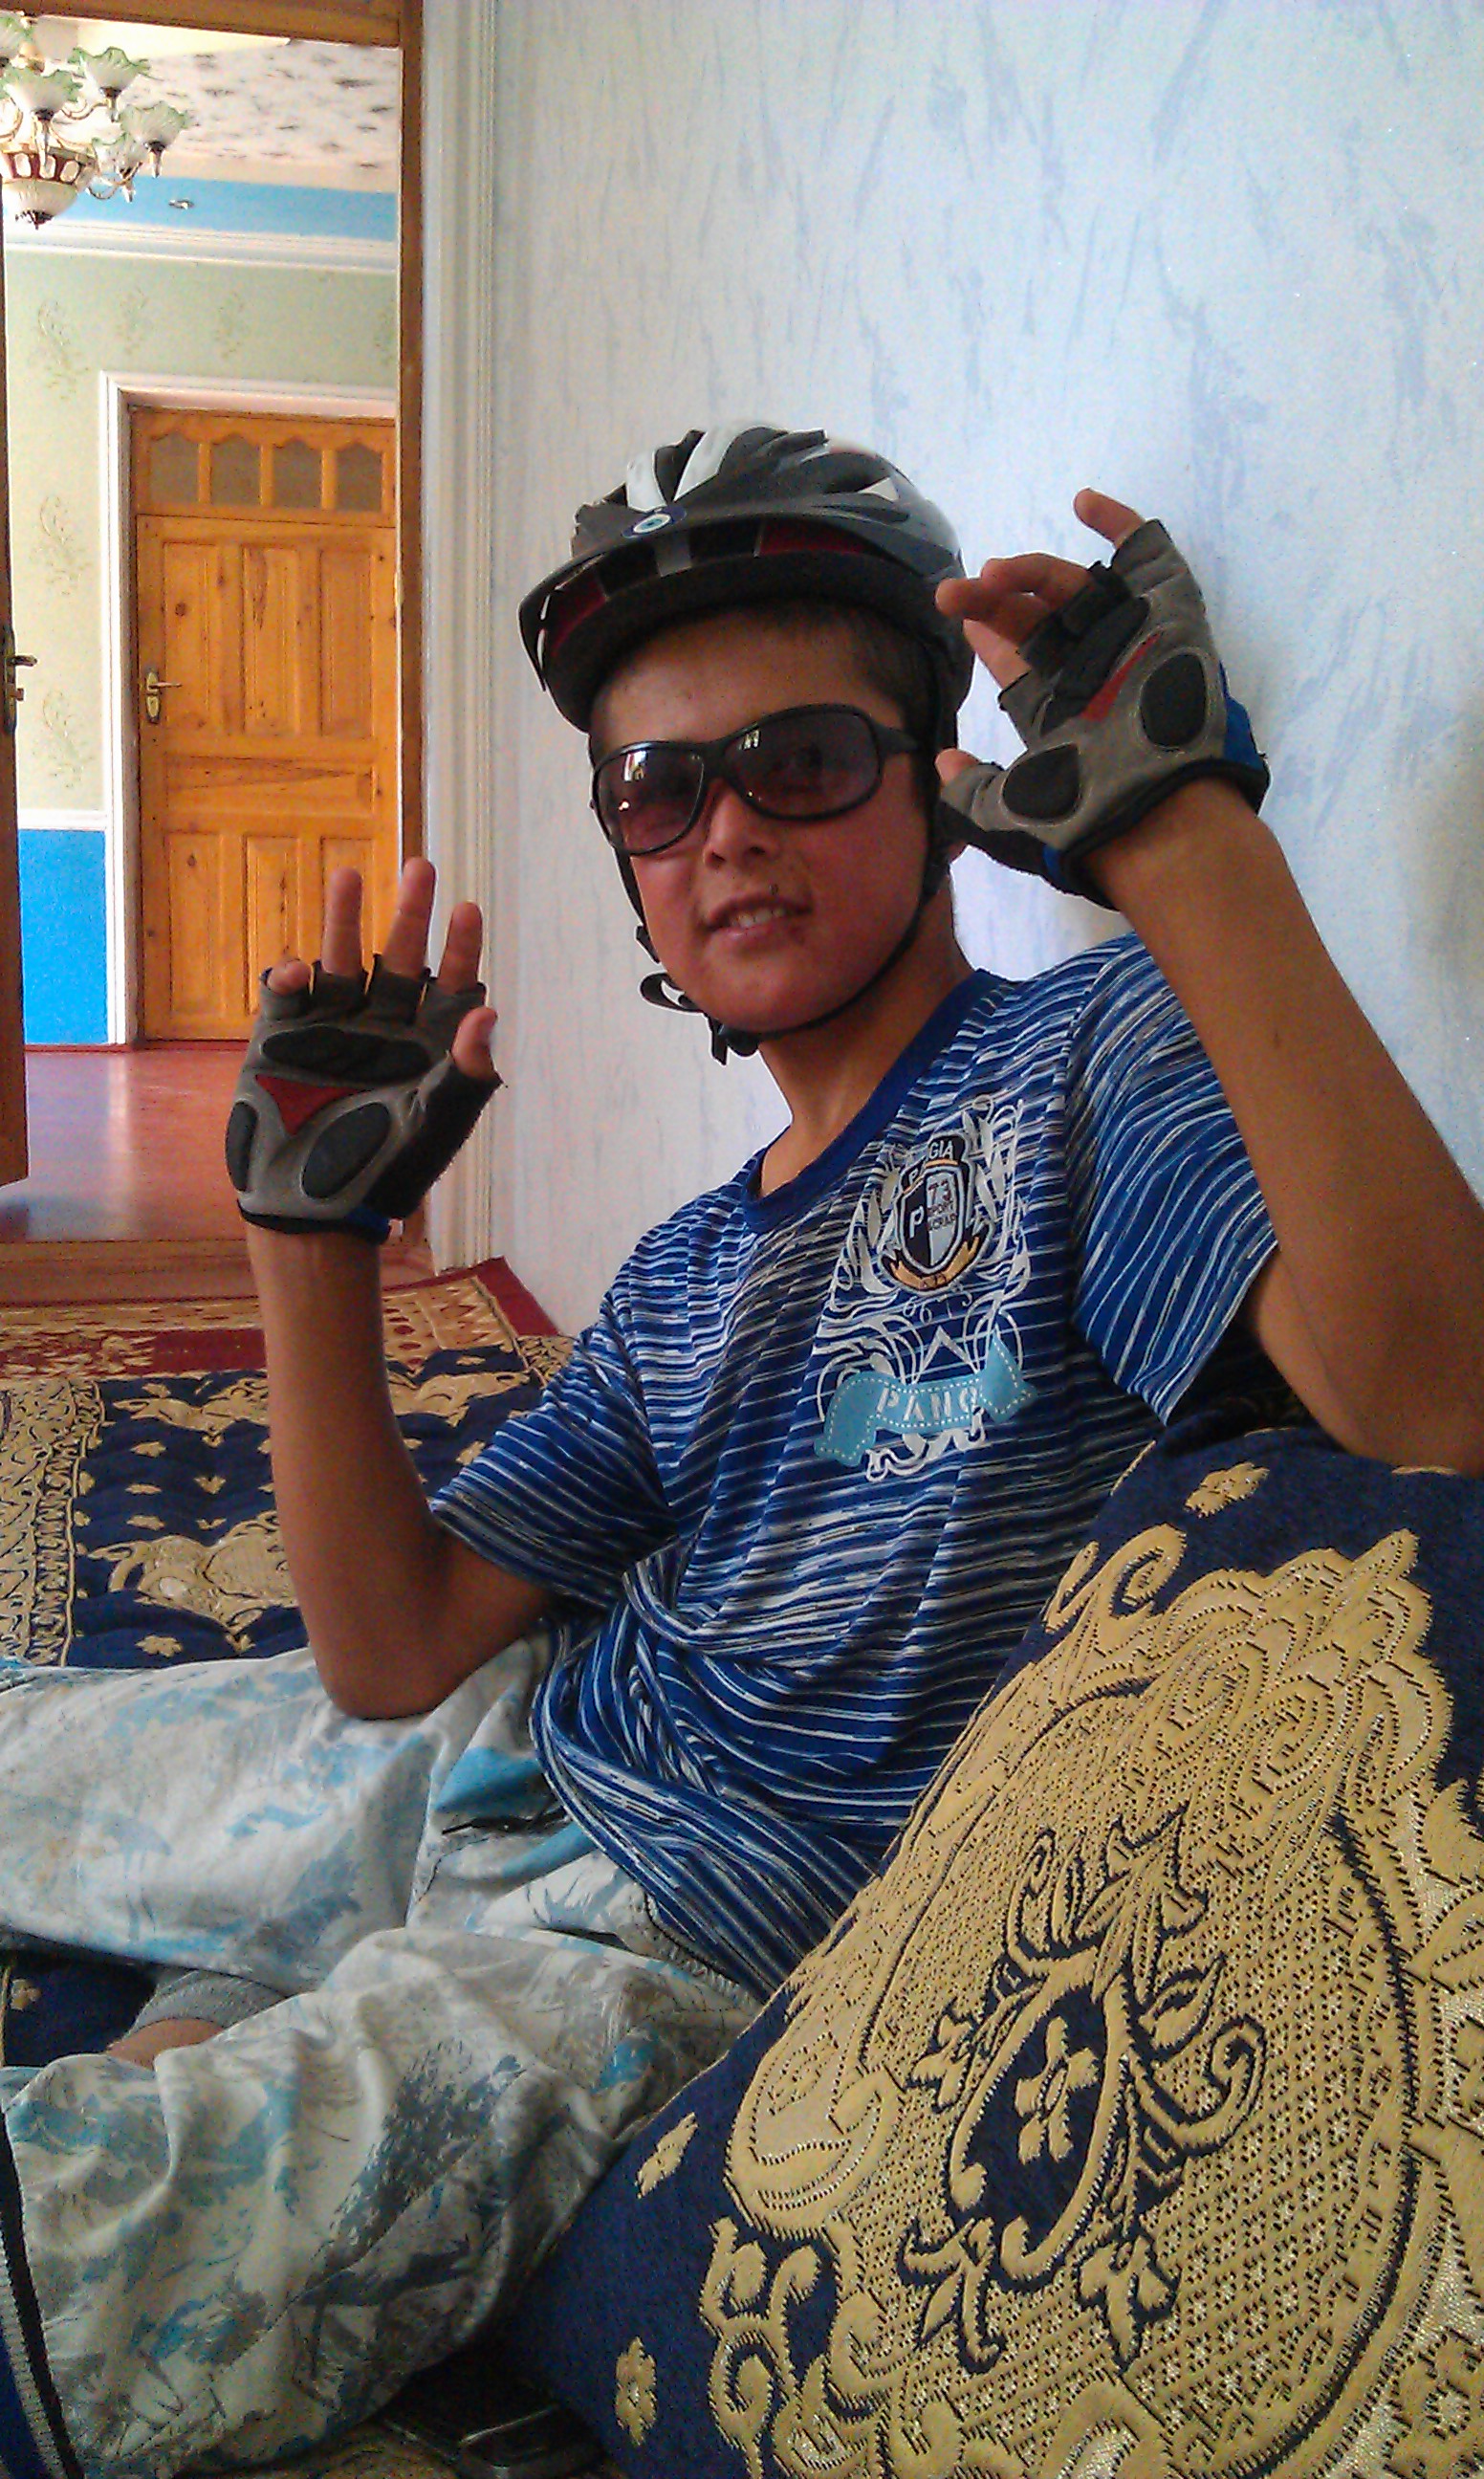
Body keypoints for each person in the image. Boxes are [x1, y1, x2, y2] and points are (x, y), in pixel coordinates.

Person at [0, 424, 1481, 2479]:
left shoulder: (1085, 1065)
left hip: (664, 1948)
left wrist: (1181, 832)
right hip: (496, 1746)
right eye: (658, 789)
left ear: (937, 782)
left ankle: (237, 1996)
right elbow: (391, 1649)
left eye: (801, 760)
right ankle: (237, 1965)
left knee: (102, 2245)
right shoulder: (687, 1269)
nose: (725, 835)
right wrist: (309, 1246)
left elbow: (1435, 1404)